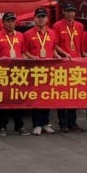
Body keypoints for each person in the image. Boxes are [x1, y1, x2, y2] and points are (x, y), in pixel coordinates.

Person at [24, 7, 61, 135]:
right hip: (35, 70)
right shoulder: (28, 34)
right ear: (34, 19)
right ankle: (37, 124)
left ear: (46, 19)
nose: (41, 19)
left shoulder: (52, 33)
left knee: (47, 98)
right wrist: (30, 57)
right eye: (38, 17)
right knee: (35, 98)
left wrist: (58, 56)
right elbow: (24, 51)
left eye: (43, 17)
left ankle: (46, 123)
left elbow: (53, 49)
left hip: (49, 70)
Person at [0, 11, 29, 136]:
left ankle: (19, 126)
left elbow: (23, 52)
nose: (10, 23)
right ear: (3, 23)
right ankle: (2, 126)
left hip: (18, 72)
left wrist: (30, 59)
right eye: (8, 21)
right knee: (4, 101)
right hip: (3, 72)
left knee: (18, 100)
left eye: (12, 21)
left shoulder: (20, 36)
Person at [52, 2, 85, 133]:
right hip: (63, 63)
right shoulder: (57, 26)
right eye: (68, 11)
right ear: (63, 12)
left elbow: (81, 45)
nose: (71, 13)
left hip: (76, 64)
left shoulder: (80, 26)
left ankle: (73, 123)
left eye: (72, 11)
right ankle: (63, 123)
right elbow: (55, 45)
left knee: (73, 95)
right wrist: (64, 53)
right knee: (62, 94)